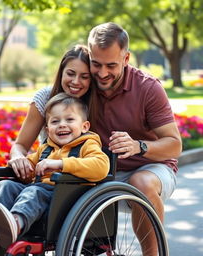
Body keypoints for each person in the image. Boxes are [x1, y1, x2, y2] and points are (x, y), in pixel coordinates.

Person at [0, 93, 109, 249]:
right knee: (5, 185)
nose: (62, 125)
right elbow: (29, 171)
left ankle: (15, 224)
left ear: (85, 126)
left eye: (69, 120)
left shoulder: (88, 145)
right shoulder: (45, 149)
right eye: (55, 121)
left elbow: (101, 167)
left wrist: (61, 164)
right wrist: (19, 167)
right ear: (47, 129)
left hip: (64, 199)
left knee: (33, 192)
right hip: (39, 194)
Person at [87, 22, 182, 256]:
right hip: (101, 171)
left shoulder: (148, 88)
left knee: (140, 183)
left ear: (126, 58)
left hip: (151, 168)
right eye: (96, 64)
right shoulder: (84, 82)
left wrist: (138, 146)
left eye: (111, 65)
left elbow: (174, 145)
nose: (102, 73)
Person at [8, 44, 97, 182]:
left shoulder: (96, 104)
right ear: (62, 72)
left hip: (73, 182)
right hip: (44, 174)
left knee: (32, 194)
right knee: (6, 185)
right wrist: (18, 157)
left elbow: (99, 163)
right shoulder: (45, 97)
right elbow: (20, 146)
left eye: (84, 77)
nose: (75, 81)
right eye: (70, 73)